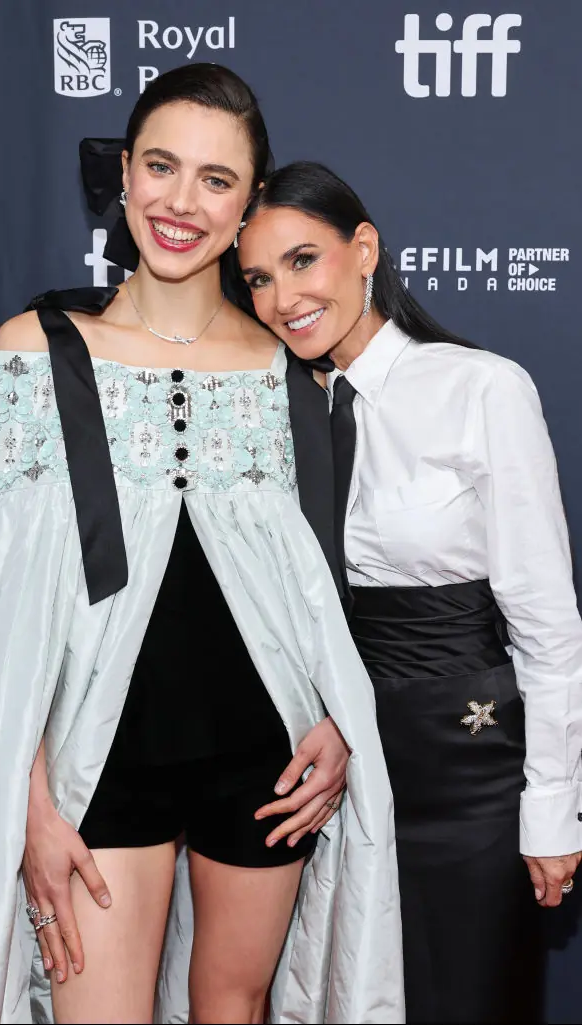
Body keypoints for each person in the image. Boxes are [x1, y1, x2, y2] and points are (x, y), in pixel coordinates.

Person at [0, 72, 403, 1024]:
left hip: (266, 759)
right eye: (162, 166)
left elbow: (318, 582)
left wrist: (336, 720)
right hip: (99, 760)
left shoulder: (282, 366)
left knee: (234, 1008)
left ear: (248, 203)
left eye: (216, 180)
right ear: (122, 175)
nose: (181, 202)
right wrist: (29, 800)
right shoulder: (38, 347)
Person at [237, 160, 582, 1025]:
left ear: (363, 251)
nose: (282, 297)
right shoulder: (264, 414)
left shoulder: (479, 388)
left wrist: (550, 809)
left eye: (303, 260)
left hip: (463, 768)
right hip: (322, 769)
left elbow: (545, 624)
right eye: (257, 278)